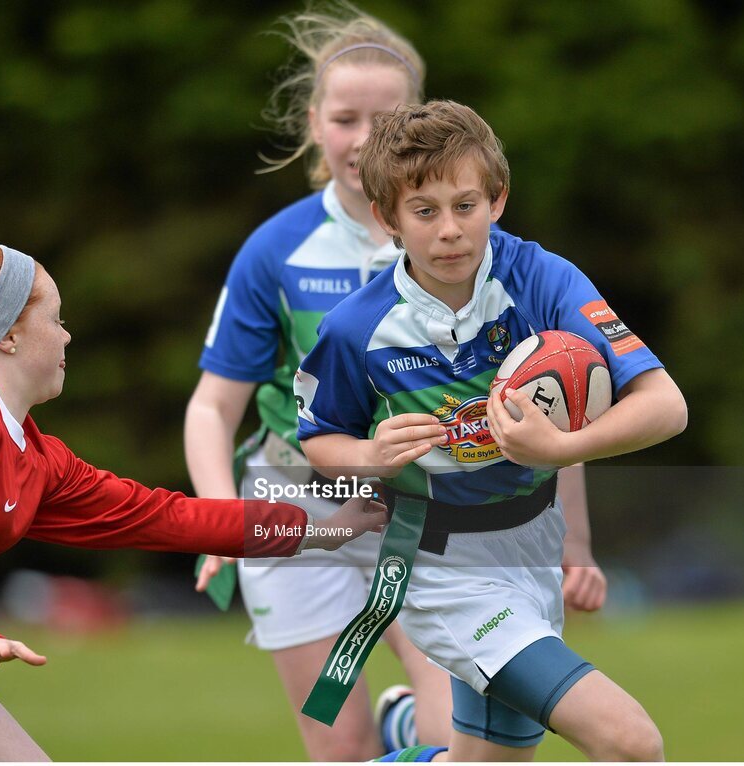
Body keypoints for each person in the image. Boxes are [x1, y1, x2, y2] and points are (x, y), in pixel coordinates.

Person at [185, 2, 606, 761]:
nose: (363, 138)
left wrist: (573, 540)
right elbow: (214, 407)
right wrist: (220, 517)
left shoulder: (476, 245)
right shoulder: (275, 249)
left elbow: (546, 395)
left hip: (425, 515)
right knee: (340, 750)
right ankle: (395, 731)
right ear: (314, 124)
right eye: (345, 118)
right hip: (302, 503)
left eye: (384, 119)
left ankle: (414, 729)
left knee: (453, 735)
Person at [0, 243, 384, 762]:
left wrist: (321, 529)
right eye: (56, 318)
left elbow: (161, 516)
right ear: (9, 336)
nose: (68, 335)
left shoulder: (27, 452)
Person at [293, 100, 687, 761]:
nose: (449, 230)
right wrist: (369, 454)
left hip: (532, 548)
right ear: (389, 219)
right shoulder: (357, 327)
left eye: (466, 205)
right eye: (424, 212)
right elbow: (319, 441)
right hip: (437, 566)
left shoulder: (542, 281)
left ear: (497, 199)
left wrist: (564, 448)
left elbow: (666, 405)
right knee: (630, 742)